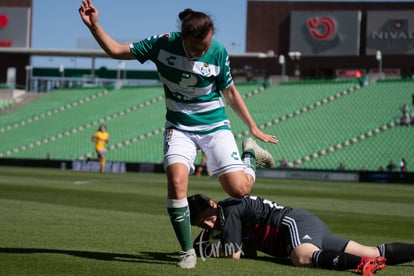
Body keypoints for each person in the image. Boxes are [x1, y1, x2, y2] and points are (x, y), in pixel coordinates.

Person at [79, 0, 278, 269]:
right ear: (184, 38)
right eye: (198, 47)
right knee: (176, 182)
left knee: (239, 189)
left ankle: (250, 152)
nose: (204, 51)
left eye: (207, 45)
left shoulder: (218, 51)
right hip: (179, 126)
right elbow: (116, 50)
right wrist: (95, 26)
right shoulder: (162, 44)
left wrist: (253, 127)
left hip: (214, 125)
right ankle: (187, 252)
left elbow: (230, 92)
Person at [188, 194, 414, 275]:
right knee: (372, 250)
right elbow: (249, 251)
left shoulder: (229, 211)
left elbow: (234, 254)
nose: (209, 224)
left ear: (212, 203)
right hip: (305, 225)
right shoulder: (226, 215)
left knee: (302, 257)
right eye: (202, 225)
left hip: (291, 223)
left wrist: (205, 249)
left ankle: (364, 265)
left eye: (208, 217)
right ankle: (373, 259)